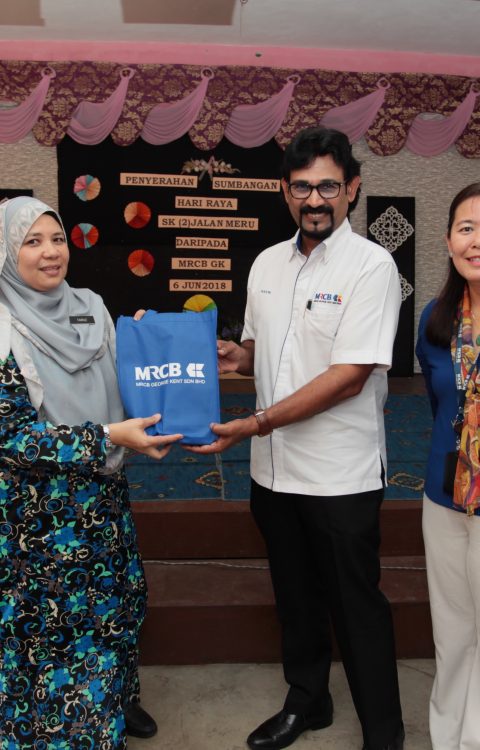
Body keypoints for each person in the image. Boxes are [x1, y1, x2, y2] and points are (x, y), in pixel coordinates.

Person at [186, 127, 404, 750]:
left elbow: (348, 376)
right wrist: (233, 358)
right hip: (273, 471)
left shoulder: (372, 267)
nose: (315, 200)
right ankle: (308, 702)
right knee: (296, 601)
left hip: (339, 476)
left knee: (356, 609)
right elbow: (263, 353)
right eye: (302, 187)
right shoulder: (266, 264)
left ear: (351, 189)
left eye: (328, 187)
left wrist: (256, 422)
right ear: (285, 191)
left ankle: (384, 734)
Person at [0, 196, 182, 748]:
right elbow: (12, 438)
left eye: (57, 239)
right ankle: (77, 729)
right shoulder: (2, 326)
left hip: (102, 498)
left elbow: (123, 378)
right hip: (40, 519)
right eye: (32, 242)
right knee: (60, 628)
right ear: (6, 253)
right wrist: (107, 437)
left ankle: (119, 700)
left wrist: (145, 342)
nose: (51, 252)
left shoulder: (91, 306)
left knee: (116, 606)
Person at [416, 182, 480, 750]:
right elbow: (441, 406)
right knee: (453, 630)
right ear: (448, 240)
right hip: (443, 498)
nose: (476, 241)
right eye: (467, 228)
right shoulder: (435, 322)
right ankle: (447, 738)